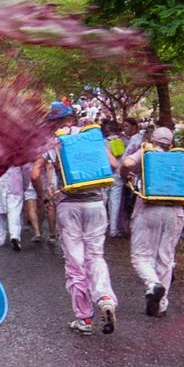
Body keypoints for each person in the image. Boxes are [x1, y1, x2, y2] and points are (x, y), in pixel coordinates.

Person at [37, 125, 119, 335]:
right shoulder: (92, 139)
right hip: (95, 205)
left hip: (69, 205)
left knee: (75, 263)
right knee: (96, 256)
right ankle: (105, 298)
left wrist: (44, 194)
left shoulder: (54, 142)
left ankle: (84, 319)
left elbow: (35, 172)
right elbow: (113, 164)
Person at [122, 126, 184, 316]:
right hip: (175, 212)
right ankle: (161, 305)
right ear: (171, 143)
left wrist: (127, 176)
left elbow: (127, 163)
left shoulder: (147, 153)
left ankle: (153, 284)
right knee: (166, 259)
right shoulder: (177, 160)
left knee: (141, 256)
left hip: (148, 210)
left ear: (152, 140)